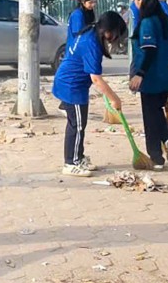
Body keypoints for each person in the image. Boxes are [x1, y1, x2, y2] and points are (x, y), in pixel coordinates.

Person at [53, 11, 127, 177]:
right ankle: (70, 163)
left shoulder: (91, 32)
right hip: (71, 86)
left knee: (79, 124)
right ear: (109, 30)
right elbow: (96, 79)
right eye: (116, 34)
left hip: (72, 84)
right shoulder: (91, 43)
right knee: (77, 125)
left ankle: (78, 157)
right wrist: (114, 98)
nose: (116, 38)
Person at [128, 0, 168, 169]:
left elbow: (149, 50)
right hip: (166, 75)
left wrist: (140, 73)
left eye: (135, 0)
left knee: (150, 117)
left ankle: (156, 157)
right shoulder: (167, 20)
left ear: (141, 1)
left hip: (151, 77)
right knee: (156, 111)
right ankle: (166, 138)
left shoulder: (148, 22)